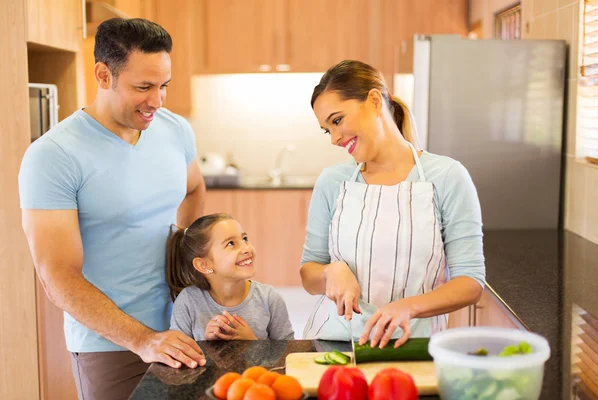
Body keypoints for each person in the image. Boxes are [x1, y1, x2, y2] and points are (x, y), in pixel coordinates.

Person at [18, 18, 207, 400]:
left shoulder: (175, 130)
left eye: (163, 86)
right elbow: (57, 276)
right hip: (110, 346)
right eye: (143, 87)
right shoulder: (53, 156)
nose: (156, 100)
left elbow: (193, 189)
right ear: (103, 75)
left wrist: (184, 264)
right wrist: (143, 340)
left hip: (184, 329)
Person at [300, 60, 485, 349]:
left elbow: (470, 282)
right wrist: (330, 271)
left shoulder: (448, 176)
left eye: (337, 121)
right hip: (335, 343)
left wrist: (409, 307)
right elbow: (308, 274)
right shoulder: (331, 181)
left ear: (374, 101)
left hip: (415, 345)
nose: (335, 138)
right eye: (327, 130)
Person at [167, 213, 295, 341]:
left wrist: (252, 343)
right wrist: (207, 346)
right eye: (230, 243)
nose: (246, 248)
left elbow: (290, 354)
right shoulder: (187, 302)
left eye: (244, 239)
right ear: (203, 265)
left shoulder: (269, 299)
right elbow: (180, 356)